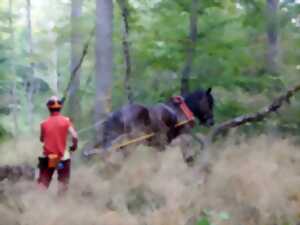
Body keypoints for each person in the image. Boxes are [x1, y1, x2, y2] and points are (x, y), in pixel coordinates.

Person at [37, 96, 78, 193]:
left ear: (48, 107)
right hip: (62, 159)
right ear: (60, 107)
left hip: (48, 158)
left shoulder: (43, 123)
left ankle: (36, 202)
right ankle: (61, 204)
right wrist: (74, 146)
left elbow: (42, 139)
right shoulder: (66, 121)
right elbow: (75, 136)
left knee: (43, 183)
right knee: (63, 183)